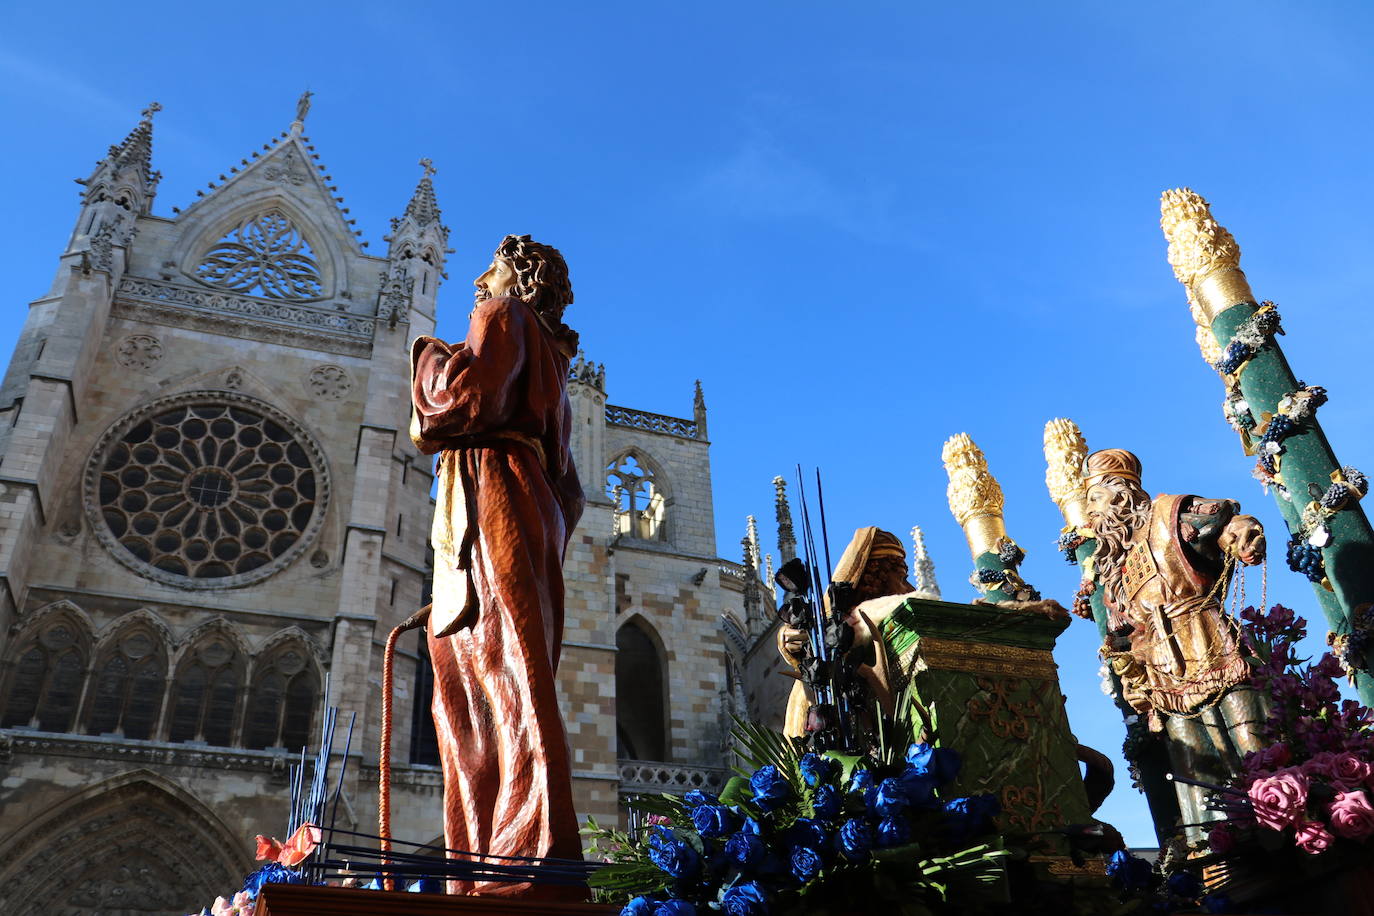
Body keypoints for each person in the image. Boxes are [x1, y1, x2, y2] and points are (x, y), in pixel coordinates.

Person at [409, 234, 585, 897]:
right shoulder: (553, 360)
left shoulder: (503, 318)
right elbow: (572, 492)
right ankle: (506, 856)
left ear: (521, 277)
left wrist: (428, 358)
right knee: (507, 676)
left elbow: (461, 405)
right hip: (517, 504)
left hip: (490, 498)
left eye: (491, 269)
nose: (479, 282)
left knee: (487, 688)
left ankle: (513, 862)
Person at [1083, 448, 1267, 837]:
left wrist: (1241, 532)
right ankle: (1218, 849)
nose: (1091, 515)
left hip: (1211, 642)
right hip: (1165, 676)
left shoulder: (1170, 515)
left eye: (1094, 500)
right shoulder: (1119, 566)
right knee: (1194, 771)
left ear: (1120, 494)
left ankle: (1280, 822)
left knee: (1253, 743)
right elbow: (1131, 632)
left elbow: (1227, 521)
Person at [777, 527, 917, 739]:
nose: (910, 588)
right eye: (903, 577)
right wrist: (787, 637)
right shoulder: (850, 630)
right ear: (875, 578)